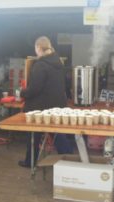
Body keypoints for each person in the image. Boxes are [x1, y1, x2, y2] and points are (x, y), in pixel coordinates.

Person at [19, 36, 73, 168]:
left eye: (36, 49)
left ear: (38, 48)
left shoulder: (40, 65)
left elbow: (34, 89)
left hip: (40, 107)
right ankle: (69, 158)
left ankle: (30, 162)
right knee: (57, 132)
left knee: (34, 134)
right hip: (57, 105)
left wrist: (22, 93)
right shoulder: (59, 62)